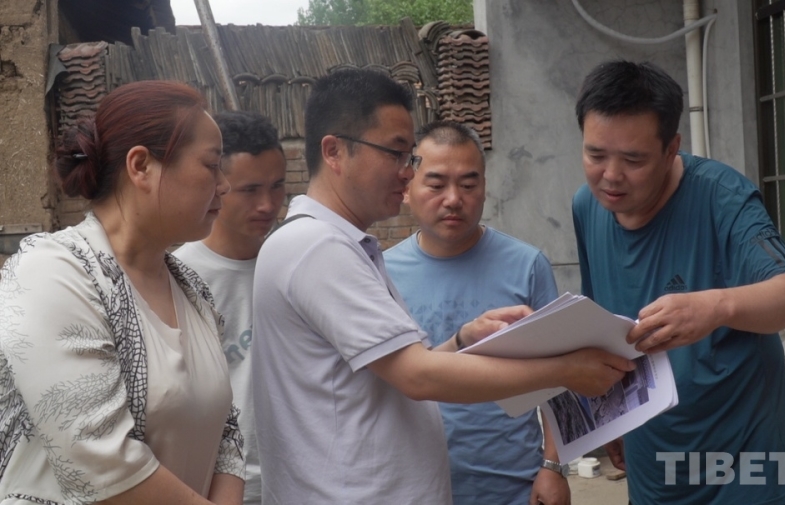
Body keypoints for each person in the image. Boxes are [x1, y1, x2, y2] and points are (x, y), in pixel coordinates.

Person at [252, 68, 635, 504]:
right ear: (334, 151)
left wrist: (463, 340)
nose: (406, 172)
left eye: (409, 158)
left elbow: (396, 372)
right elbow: (417, 376)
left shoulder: (346, 246)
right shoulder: (317, 247)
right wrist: (565, 371)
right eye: (396, 154)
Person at [571, 60, 785, 505]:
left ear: (671, 149)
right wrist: (608, 418)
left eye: (633, 159)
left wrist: (715, 307)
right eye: (595, 155)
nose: (611, 175)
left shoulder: (722, 198)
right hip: (655, 470)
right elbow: (602, 323)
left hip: (747, 470)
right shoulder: (587, 207)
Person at [0, 81, 244, 504]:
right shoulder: (52, 273)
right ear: (141, 166)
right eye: (211, 164)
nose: (224, 184)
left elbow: (226, 432)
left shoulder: (192, 289)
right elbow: (100, 462)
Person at [385, 120, 570, 505]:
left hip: (514, 486)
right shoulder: (381, 274)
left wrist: (553, 467)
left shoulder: (526, 266)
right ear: (407, 188)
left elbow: (560, 378)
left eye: (468, 185)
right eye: (436, 185)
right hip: (415, 487)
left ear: (485, 187)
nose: (454, 199)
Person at [174, 110, 286, 505]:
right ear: (218, 186)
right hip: (220, 486)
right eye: (250, 190)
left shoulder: (291, 264)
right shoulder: (178, 277)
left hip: (301, 475)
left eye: (277, 186)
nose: (267, 204)